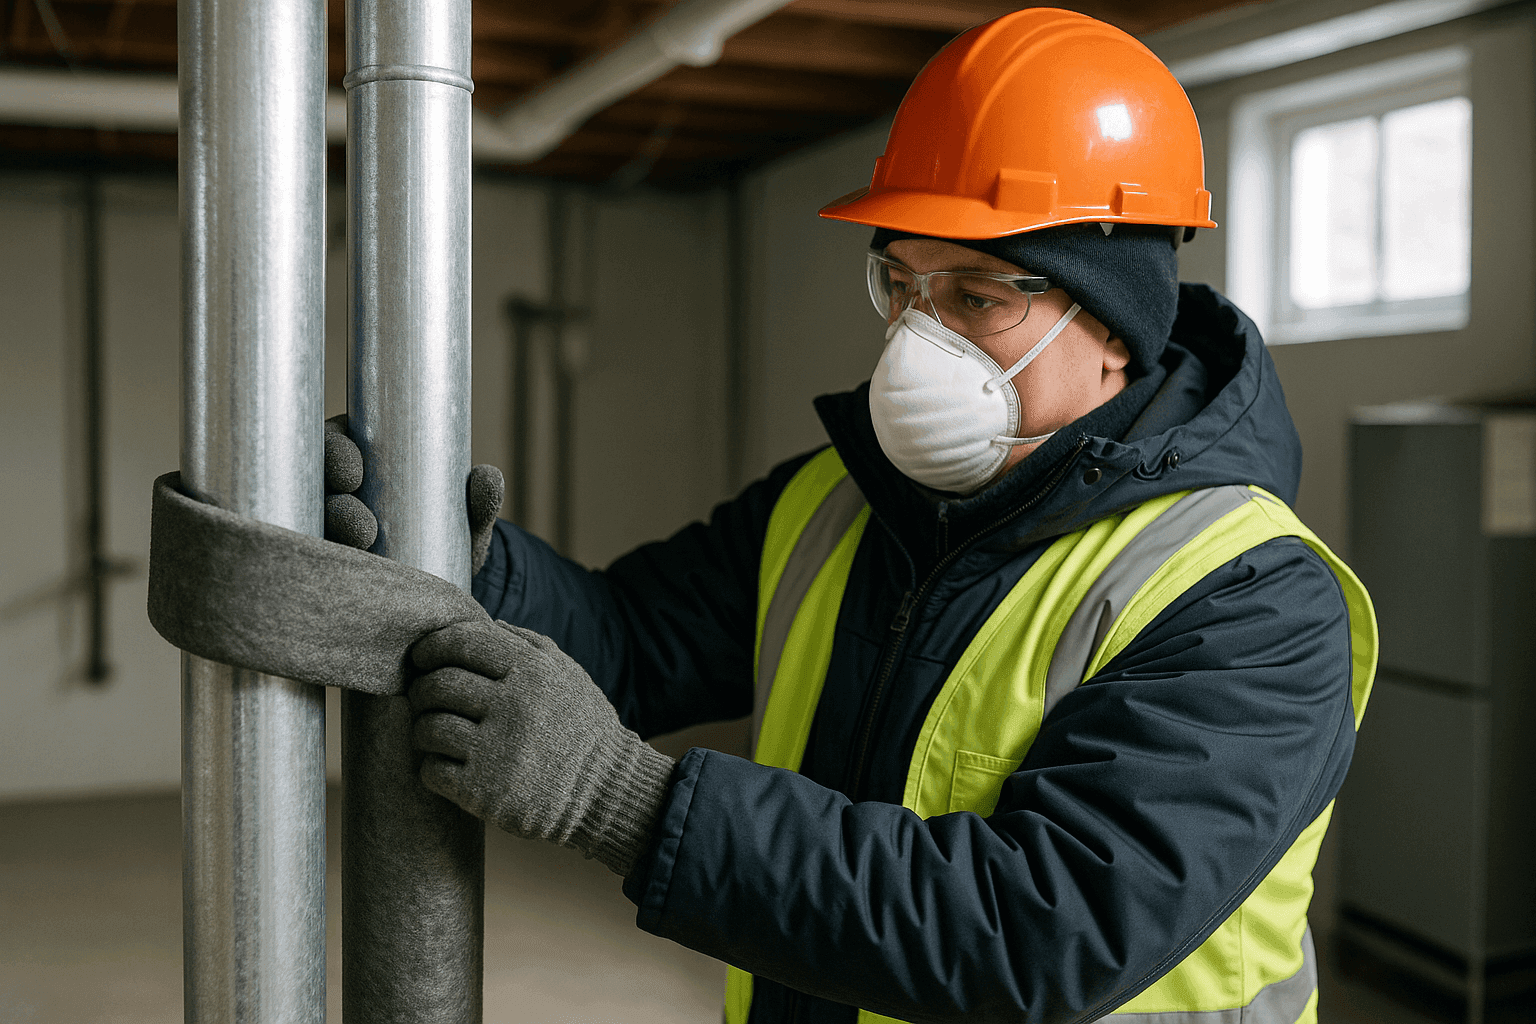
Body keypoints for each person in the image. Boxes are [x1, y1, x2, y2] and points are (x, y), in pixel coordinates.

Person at [150, 9, 1376, 1023]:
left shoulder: (1251, 599)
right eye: (900, 280)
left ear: (1116, 323)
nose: (918, 336)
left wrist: (625, 801)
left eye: (980, 295)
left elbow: (1035, 932)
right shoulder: (836, 505)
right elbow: (628, 636)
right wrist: (468, 559)